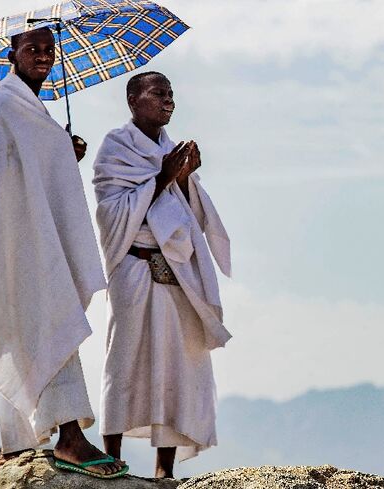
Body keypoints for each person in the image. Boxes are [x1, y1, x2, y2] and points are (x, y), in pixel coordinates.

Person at [0, 27, 127, 478]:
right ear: (12, 53)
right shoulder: (1, 105)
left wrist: (62, 151)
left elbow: (32, 165)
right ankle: (71, 439)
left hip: (35, 235)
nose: (42, 56)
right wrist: (54, 148)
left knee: (26, 323)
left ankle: (17, 442)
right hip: (20, 238)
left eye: (48, 50)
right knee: (47, 318)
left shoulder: (30, 106)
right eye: (32, 49)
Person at [92, 71, 232, 478]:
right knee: (124, 359)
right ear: (134, 100)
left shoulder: (170, 148)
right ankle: (111, 456)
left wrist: (185, 179)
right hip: (133, 266)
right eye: (158, 93)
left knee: (175, 363)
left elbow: (189, 212)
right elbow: (110, 212)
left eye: (171, 94)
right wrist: (164, 176)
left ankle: (164, 469)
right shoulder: (115, 148)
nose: (168, 100)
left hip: (174, 270)